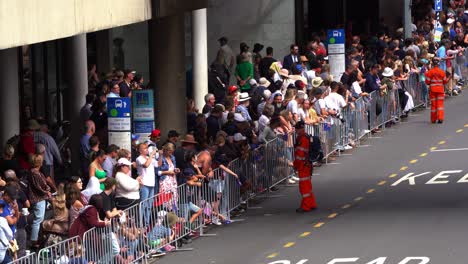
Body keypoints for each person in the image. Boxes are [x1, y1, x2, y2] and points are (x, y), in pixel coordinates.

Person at [293, 121, 317, 213]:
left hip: (303, 165)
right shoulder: (306, 137)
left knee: (304, 187)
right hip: (307, 165)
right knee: (308, 185)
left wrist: (295, 165)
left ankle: (306, 206)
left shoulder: (302, 139)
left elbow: (300, 155)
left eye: (297, 129)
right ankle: (311, 203)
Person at [28, 154, 51, 249]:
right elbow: (41, 186)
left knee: (38, 218)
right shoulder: (36, 174)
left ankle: (36, 237)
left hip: (36, 198)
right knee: (38, 219)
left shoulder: (32, 172)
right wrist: (47, 191)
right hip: (39, 198)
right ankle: (34, 240)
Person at [425, 57, 449, 123]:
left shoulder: (430, 72)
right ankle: (440, 118)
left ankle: (433, 119)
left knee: (433, 105)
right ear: (438, 65)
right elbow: (444, 81)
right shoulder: (442, 72)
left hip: (433, 91)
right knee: (440, 105)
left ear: (432, 65)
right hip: (440, 90)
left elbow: (427, 82)